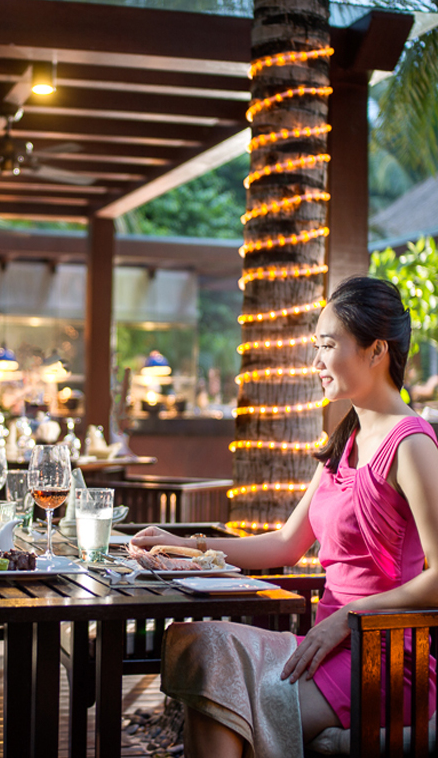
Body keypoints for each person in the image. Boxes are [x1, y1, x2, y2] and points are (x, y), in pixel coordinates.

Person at [132, 276, 438, 757]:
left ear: (377, 350)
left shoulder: (412, 444)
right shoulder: (347, 438)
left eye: (328, 345)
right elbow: (285, 543)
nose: (316, 361)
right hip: (322, 646)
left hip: (383, 659)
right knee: (199, 646)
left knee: (220, 699)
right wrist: (183, 546)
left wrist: (348, 619)